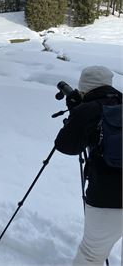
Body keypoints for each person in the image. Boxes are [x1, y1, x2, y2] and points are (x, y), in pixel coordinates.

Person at [55, 66, 122, 266]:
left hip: (108, 198)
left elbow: (65, 146)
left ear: (84, 86)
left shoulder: (89, 109)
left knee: (91, 254)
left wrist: (76, 113)